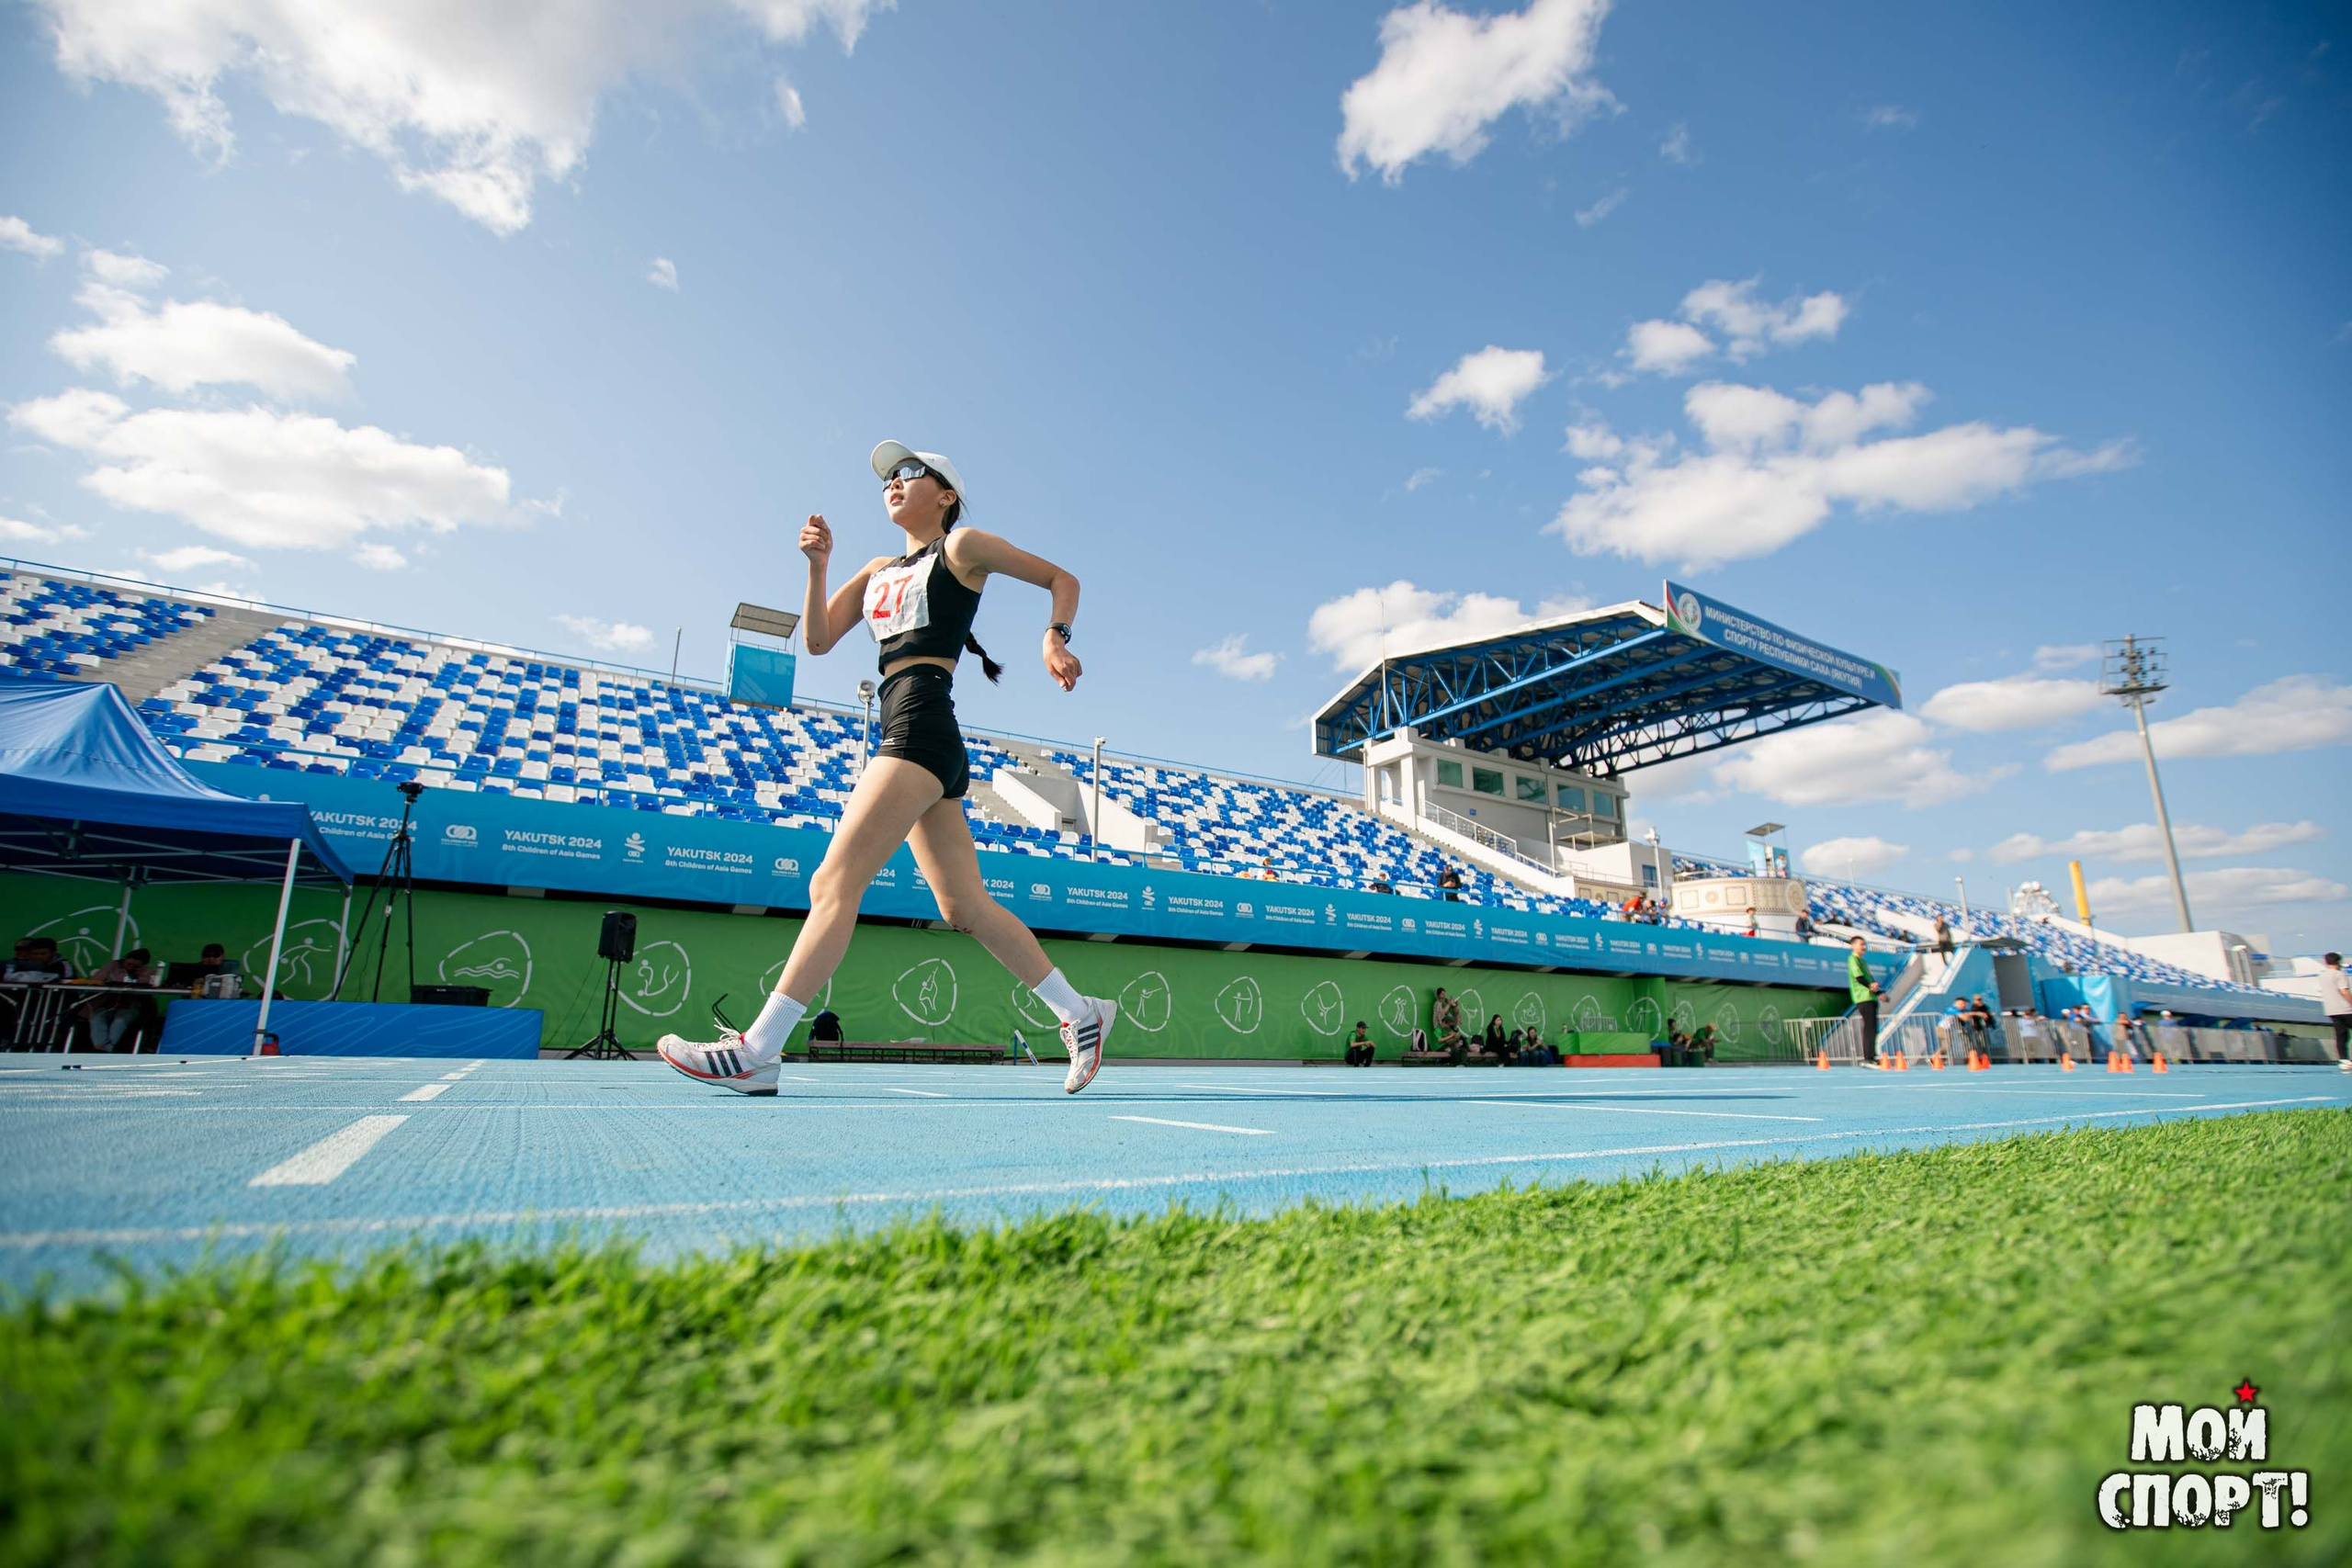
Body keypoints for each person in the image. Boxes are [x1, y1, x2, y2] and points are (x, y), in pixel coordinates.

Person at [655, 442, 1114, 1096]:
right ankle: (1080, 1011)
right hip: (914, 728)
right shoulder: (875, 569)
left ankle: (759, 1049)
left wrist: (1054, 635)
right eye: (887, 478)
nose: (893, 483)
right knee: (964, 906)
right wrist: (818, 566)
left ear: (946, 495)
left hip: (922, 724)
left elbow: (1062, 578)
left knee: (831, 882)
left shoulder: (962, 548)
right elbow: (817, 640)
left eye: (909, 473)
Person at [81, 949, 158, 1052]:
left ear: (143, 965)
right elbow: (95, 981)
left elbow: (150, 986)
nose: (130, 967)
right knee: (96, 1018)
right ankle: (99, 1047)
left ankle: (107, 1049)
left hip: (130, 1007)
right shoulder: (112, 966)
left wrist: (137, 975)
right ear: (125, 959)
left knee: (119, 1021)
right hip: (106, 1004)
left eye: (135, 966)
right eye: (128, 963)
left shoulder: (149, 972)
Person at [1848, 935, 1883, 1065]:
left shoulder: (1863, 961)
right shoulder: (1853, 959)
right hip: (1863, 997)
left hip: (1871, 997)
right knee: (1869, 1027)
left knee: (1873, 1027)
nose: (1864, 947)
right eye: (1861, 944)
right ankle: (1868, 1057)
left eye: (1864, 944)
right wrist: (1870, 986)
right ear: (1853, 945)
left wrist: (1879, 993)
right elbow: (1859, 978)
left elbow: (1869, 979)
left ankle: (1872, 1056)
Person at [2322, 953, 2352, 1071]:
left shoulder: (2322, 976)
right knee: (2344, 1035)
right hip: (2345, 1008)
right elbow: (2344, 992)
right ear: (2338, 962)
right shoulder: (2339, 974)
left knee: (2341, 1035)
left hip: (2331, 1009)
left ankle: (2344, 1060)